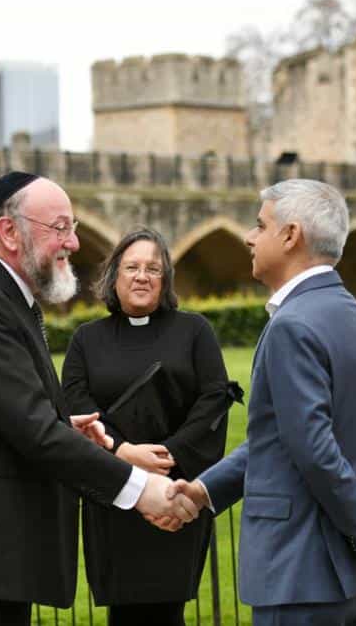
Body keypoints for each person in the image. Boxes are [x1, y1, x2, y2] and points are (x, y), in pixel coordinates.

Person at [0, 171, 200, 626]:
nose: (74, 243)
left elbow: (8, 416)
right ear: (9, 232)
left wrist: (64, 426)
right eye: (61, 227)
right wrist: (141, 490)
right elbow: (32, 430)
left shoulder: (4, 298)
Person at [167, 179, 356, 626]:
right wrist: (204, 490)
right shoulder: (354, 314)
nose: (249, 237)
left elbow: (314, 450)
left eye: (261, 225)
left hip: (303, 574)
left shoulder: (293, 325)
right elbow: (284, 437)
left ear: (291, 235)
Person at [62, 227, 235, 626]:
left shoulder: (194, 332)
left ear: (166, 279)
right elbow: (74, 402)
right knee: (123, 611)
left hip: (175, 492)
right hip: (114, 491)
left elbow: (214, 402)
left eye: (153, 269)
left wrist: (170, 454)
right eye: (132, 267)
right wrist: (121, 452)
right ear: (114, 277)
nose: (142, 276)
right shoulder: (87, 339)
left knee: (168, 609)